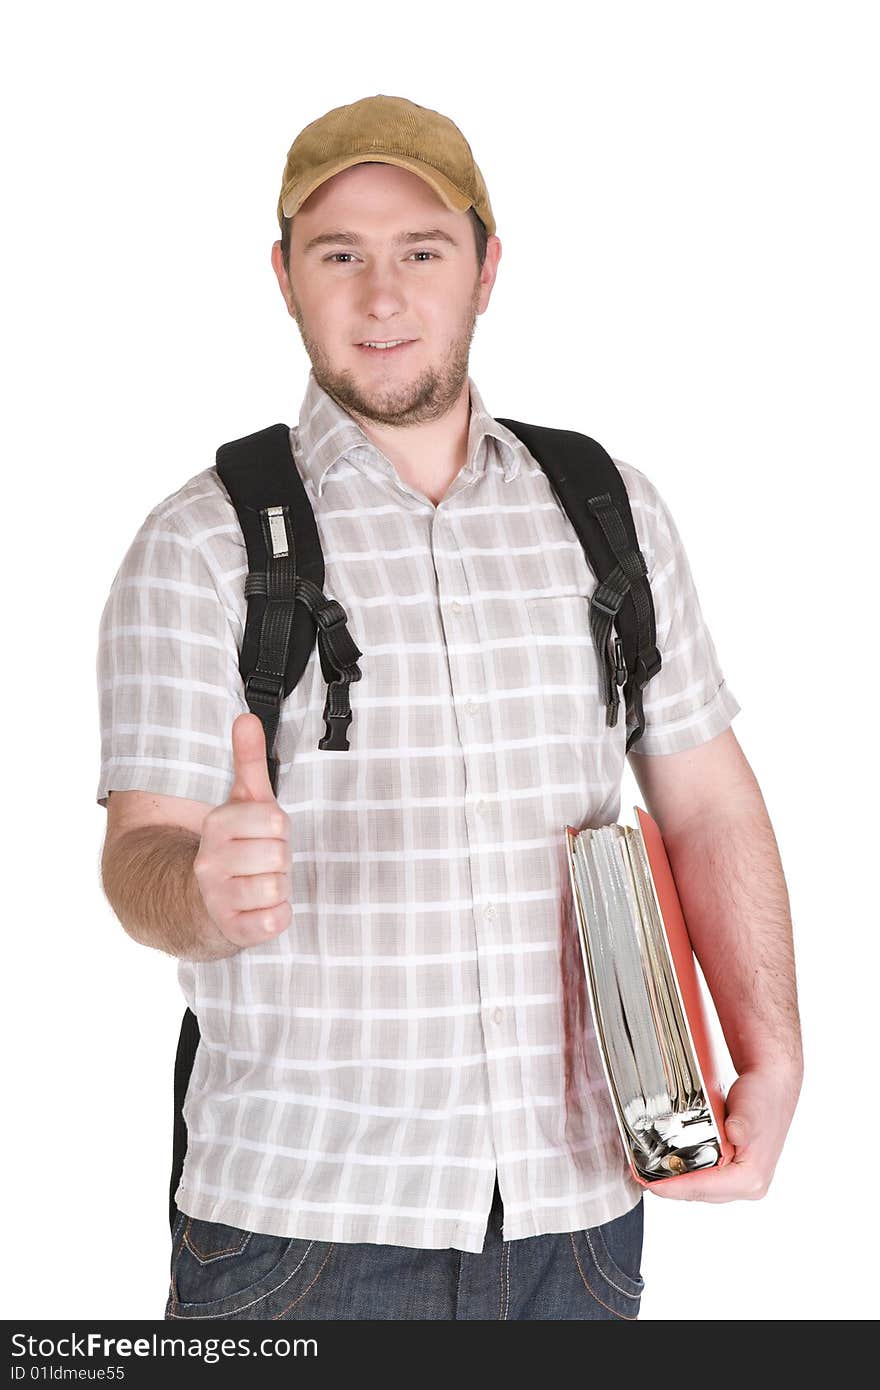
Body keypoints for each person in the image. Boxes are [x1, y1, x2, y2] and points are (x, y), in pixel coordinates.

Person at [96, 93, 803, 1321]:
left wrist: (773, 1050)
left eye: (421, 250)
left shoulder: (607, 507)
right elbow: (139, 853)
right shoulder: (202, 541)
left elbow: (706, 799)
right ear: (283, 276)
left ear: (485, 269)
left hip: (578, 1217)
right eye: (339, 255)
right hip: (299, 1235)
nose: (382, 296)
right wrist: (197, 886)